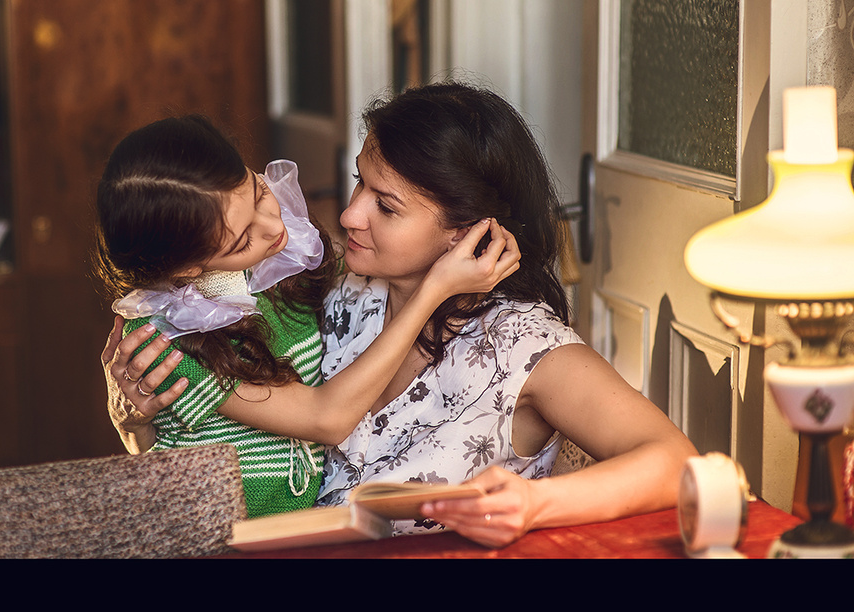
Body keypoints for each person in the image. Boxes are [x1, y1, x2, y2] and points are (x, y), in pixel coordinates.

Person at [104, 83, 698, 548]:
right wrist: (141, 414)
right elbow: (233, 425)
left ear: (466, 233)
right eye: (359, 183)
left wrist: (535, 504)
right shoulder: (335, 284)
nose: (350, 216)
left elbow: (676, 462)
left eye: (386, 206)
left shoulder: (520, 344)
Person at [95, 114, 520, 518]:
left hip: (294, 532)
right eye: (243, 239)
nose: (272, 224)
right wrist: (434, 289)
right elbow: (327, 418)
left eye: (259, 192)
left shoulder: (279, 266)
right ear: (189, 267)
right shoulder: (168, 338)